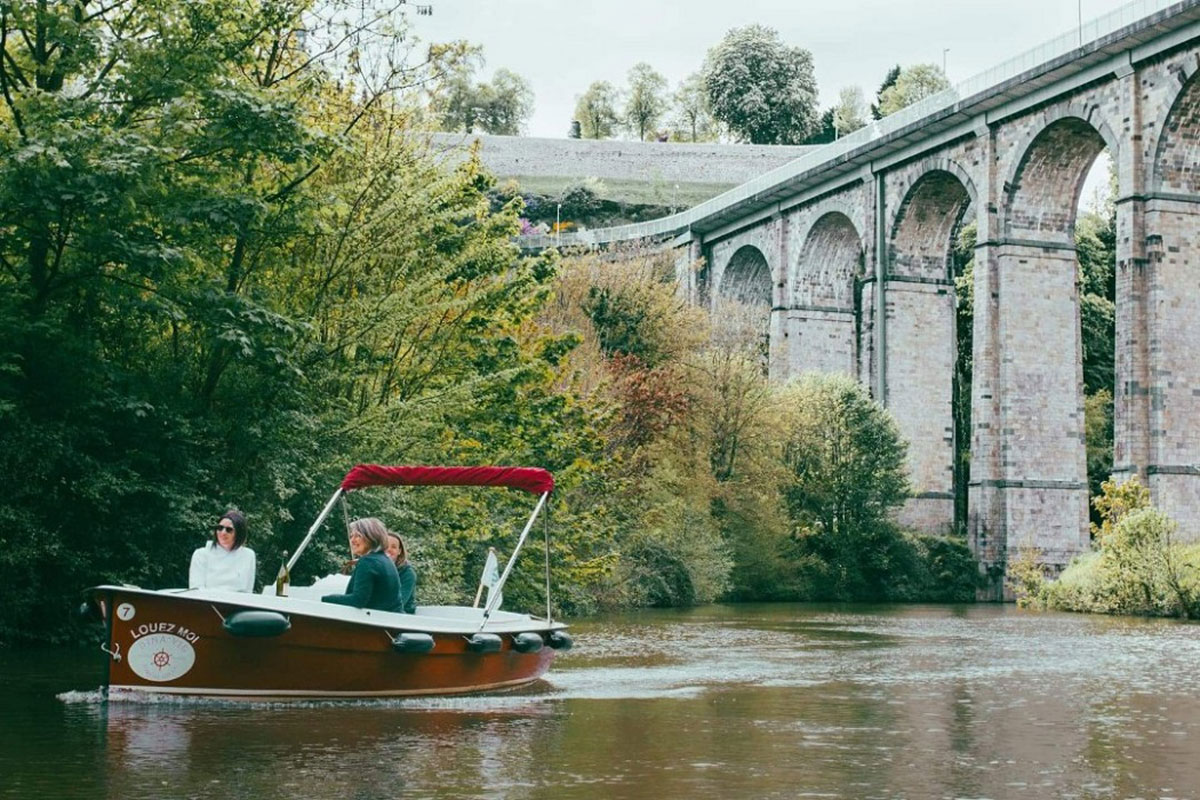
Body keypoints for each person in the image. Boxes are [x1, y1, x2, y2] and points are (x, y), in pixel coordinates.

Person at [322, 518, 402, 612]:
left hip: (378, 623)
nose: (352, 540)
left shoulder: (368, 562)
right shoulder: (386, 560)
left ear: (371, 537)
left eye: (358, 536)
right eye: (351, 536)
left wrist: (326, 599)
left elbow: (358, 600)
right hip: (392, 619)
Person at [189, 510, 256, 592]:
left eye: (229, 530)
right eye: (220, 528)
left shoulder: (248, 555)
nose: (223, 532)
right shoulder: (201, 555)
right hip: (208, 602)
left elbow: (248, 591)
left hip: (237, 603)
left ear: (239, 533)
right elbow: (195, 589)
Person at [386, 531, 418, 615]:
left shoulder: (408, 574)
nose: (388, 549)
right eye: (385, 546)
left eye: (393, 547)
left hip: (402, 618)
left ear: (399, 551)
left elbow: (398, 603)